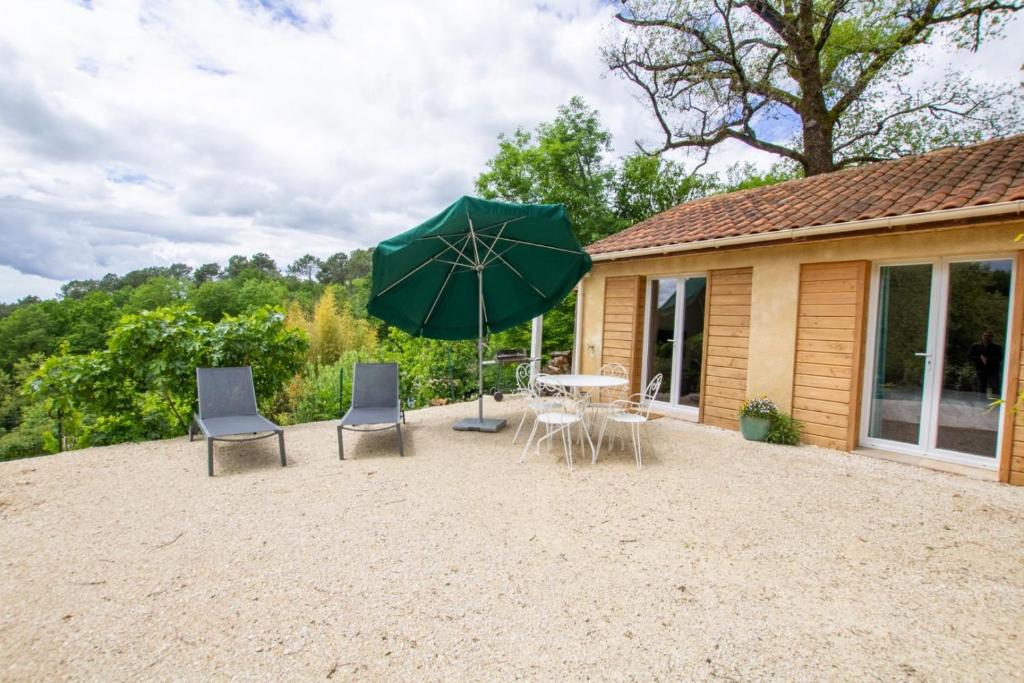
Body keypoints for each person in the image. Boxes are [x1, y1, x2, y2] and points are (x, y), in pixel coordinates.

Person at [968, 331, 1004, 398]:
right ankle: (981, 401)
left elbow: (1000, 358)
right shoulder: (975, 346)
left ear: (992, 338)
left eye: (989, 336)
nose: (987, 337)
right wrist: (980, 358)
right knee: (981, 388)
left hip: (992, 371)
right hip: (980, 370)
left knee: (991, 389)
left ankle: (989, 401)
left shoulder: (997, 347)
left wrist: (988, 359)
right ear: (982, 336)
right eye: (985, 336)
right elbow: (969, 357)